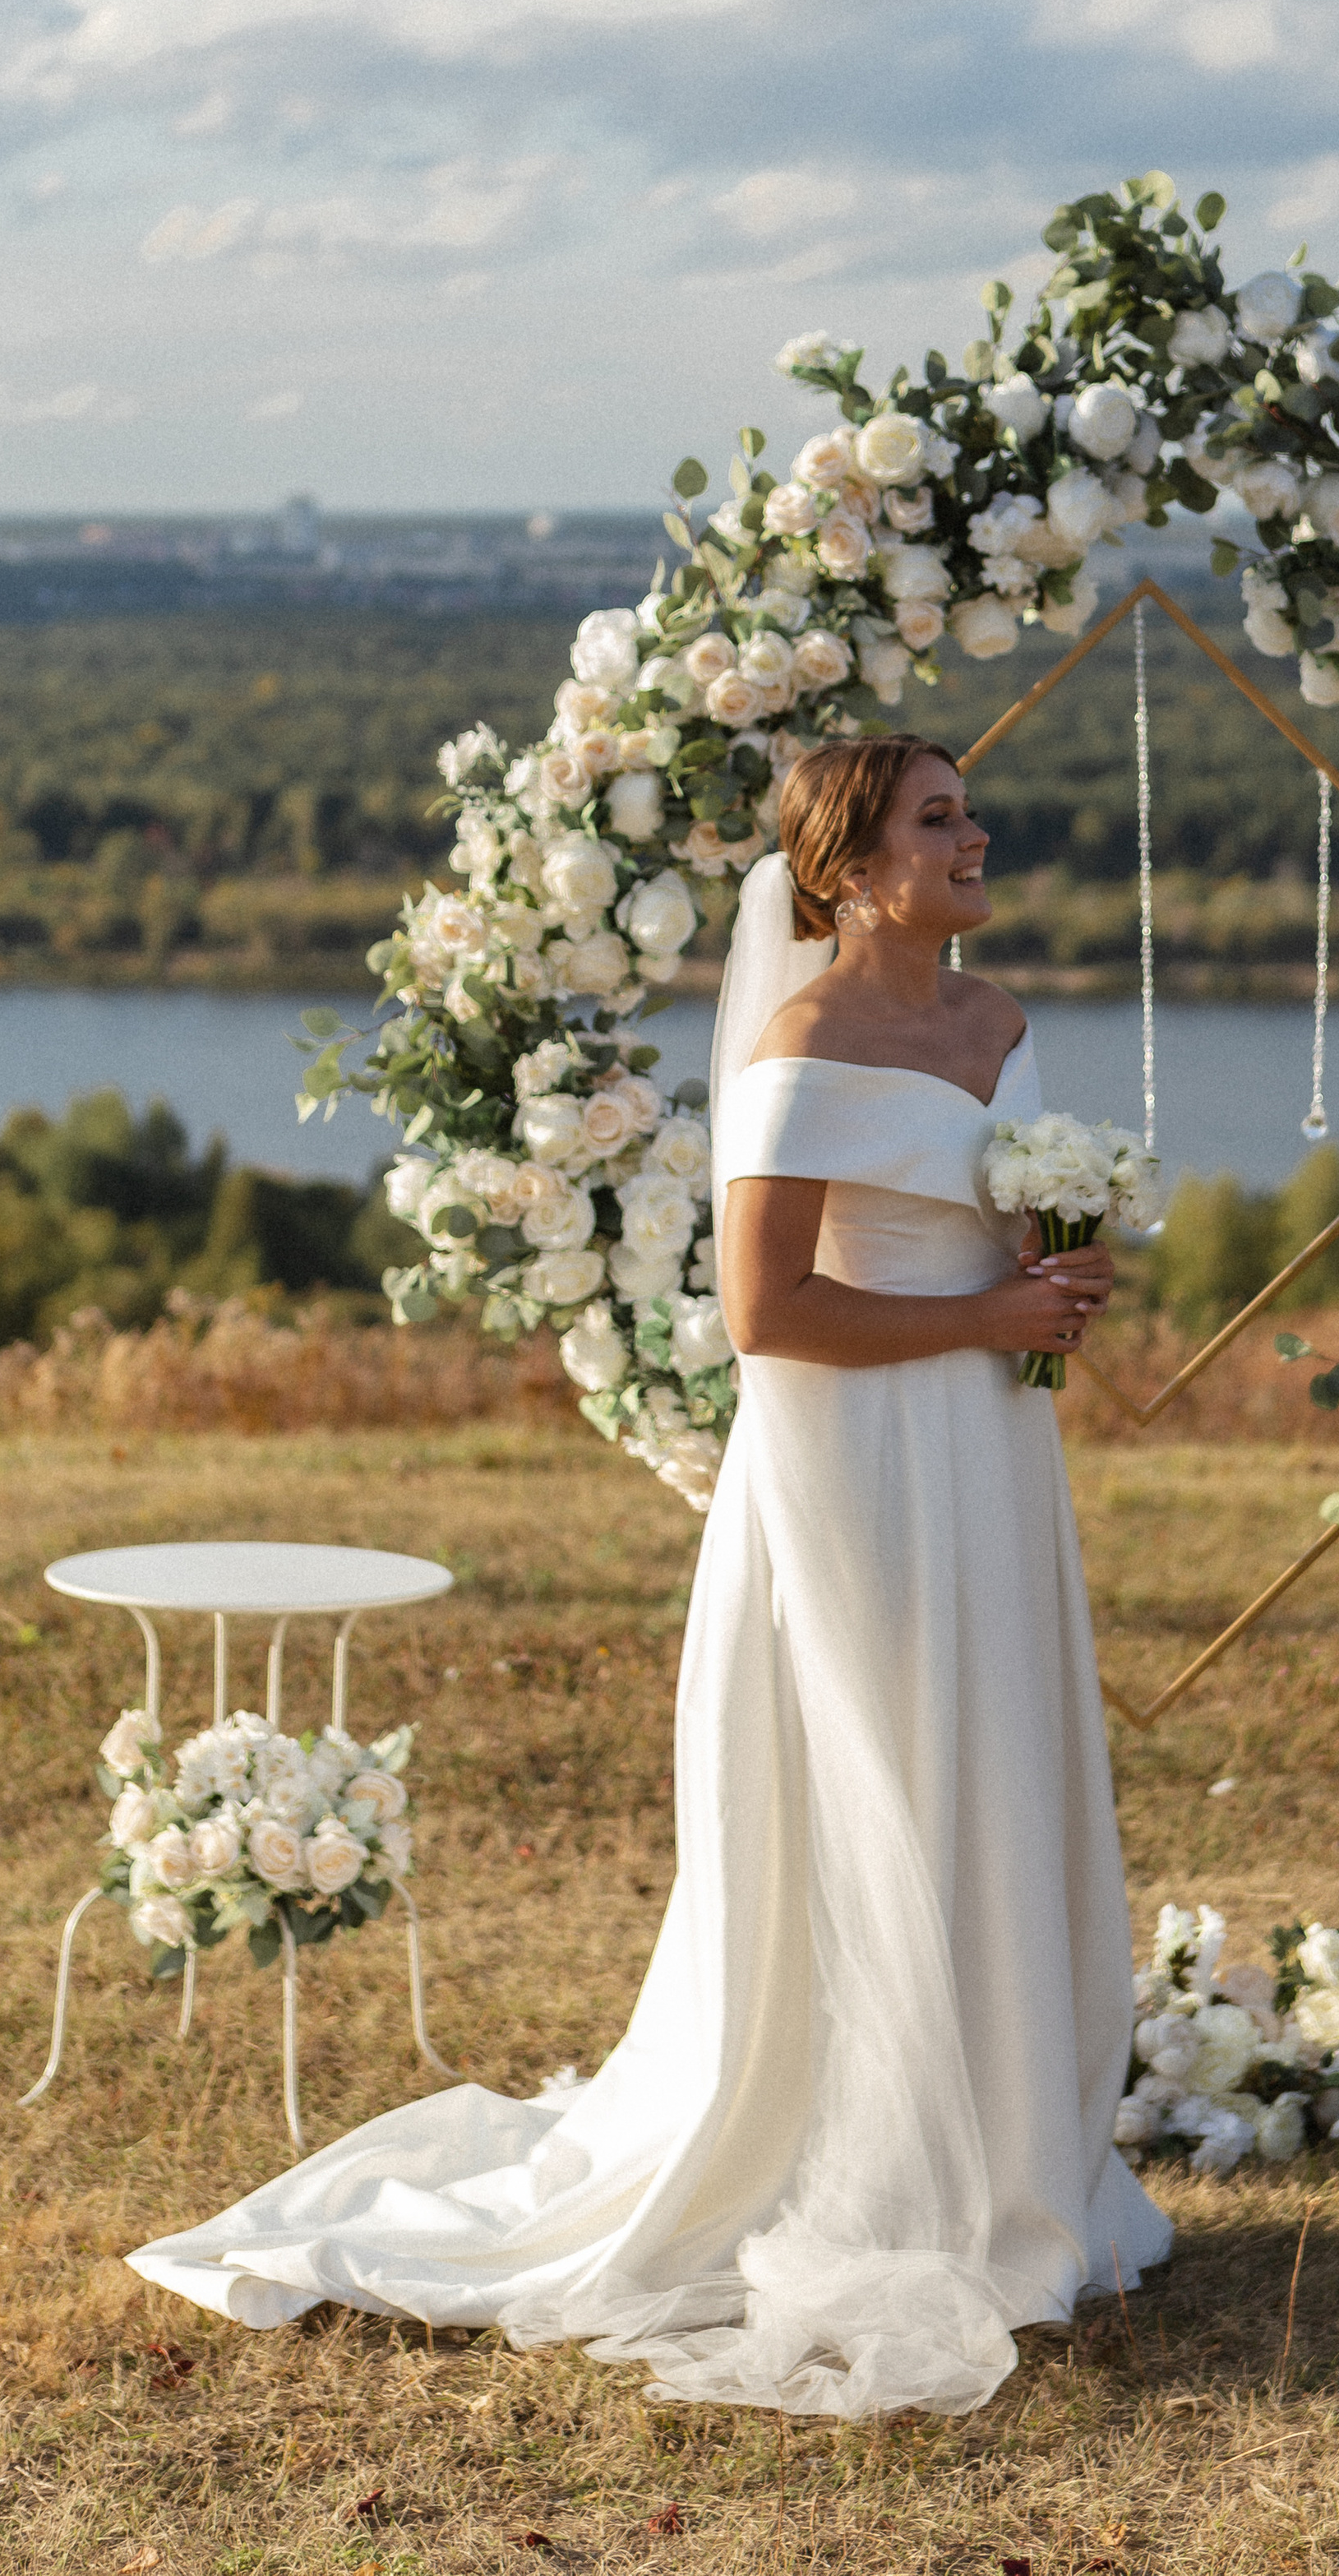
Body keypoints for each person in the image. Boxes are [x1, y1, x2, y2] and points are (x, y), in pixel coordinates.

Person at [127, 734, 1170, 2413]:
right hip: (857, 1465)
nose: (975, 835)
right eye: (937, 818)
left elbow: (986, 1228)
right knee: (881, 1780)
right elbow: (766, 1313)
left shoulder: (997, 1022)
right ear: (844, 870)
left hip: (990, 1450)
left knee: (992, 1766)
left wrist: (1054, 1266)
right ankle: (864, 2163)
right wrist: (988, 1310)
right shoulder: (801, 1043)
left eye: (969, 810)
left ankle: (1006, 2152)